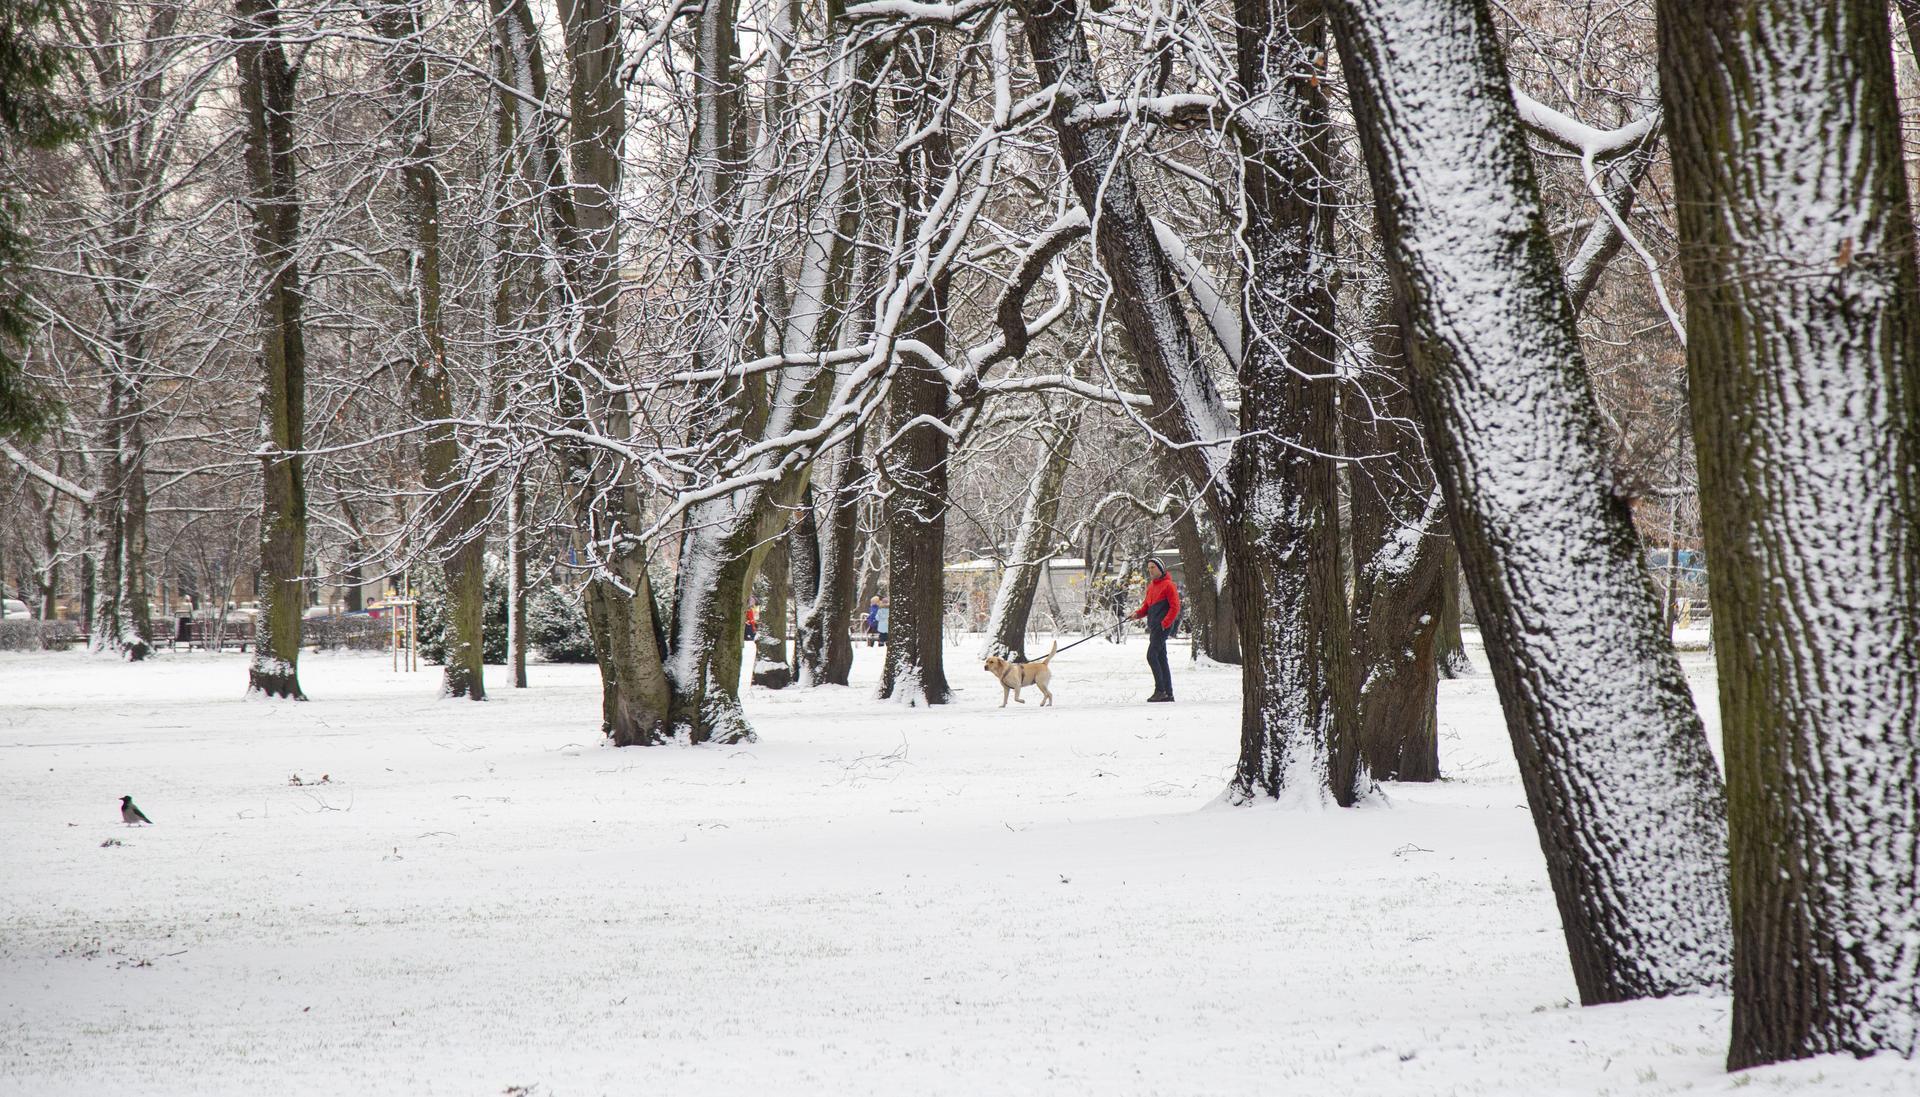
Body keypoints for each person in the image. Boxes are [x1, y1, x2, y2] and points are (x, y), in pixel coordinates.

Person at [1131, 557, 1180, 702]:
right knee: (1161, 658)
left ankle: (1160, 690)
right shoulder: (1151, 586)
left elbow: (1175, 607)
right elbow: (1146, 607)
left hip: (1161, 628)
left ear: (1161, 568)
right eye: (1149, 567)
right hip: (1154, 627)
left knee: (1151, 656)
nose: (1150, 570)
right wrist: (1137, 614)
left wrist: (1165, 623)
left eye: (1153, 567)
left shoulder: (1169, 585)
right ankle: (1168, 692)